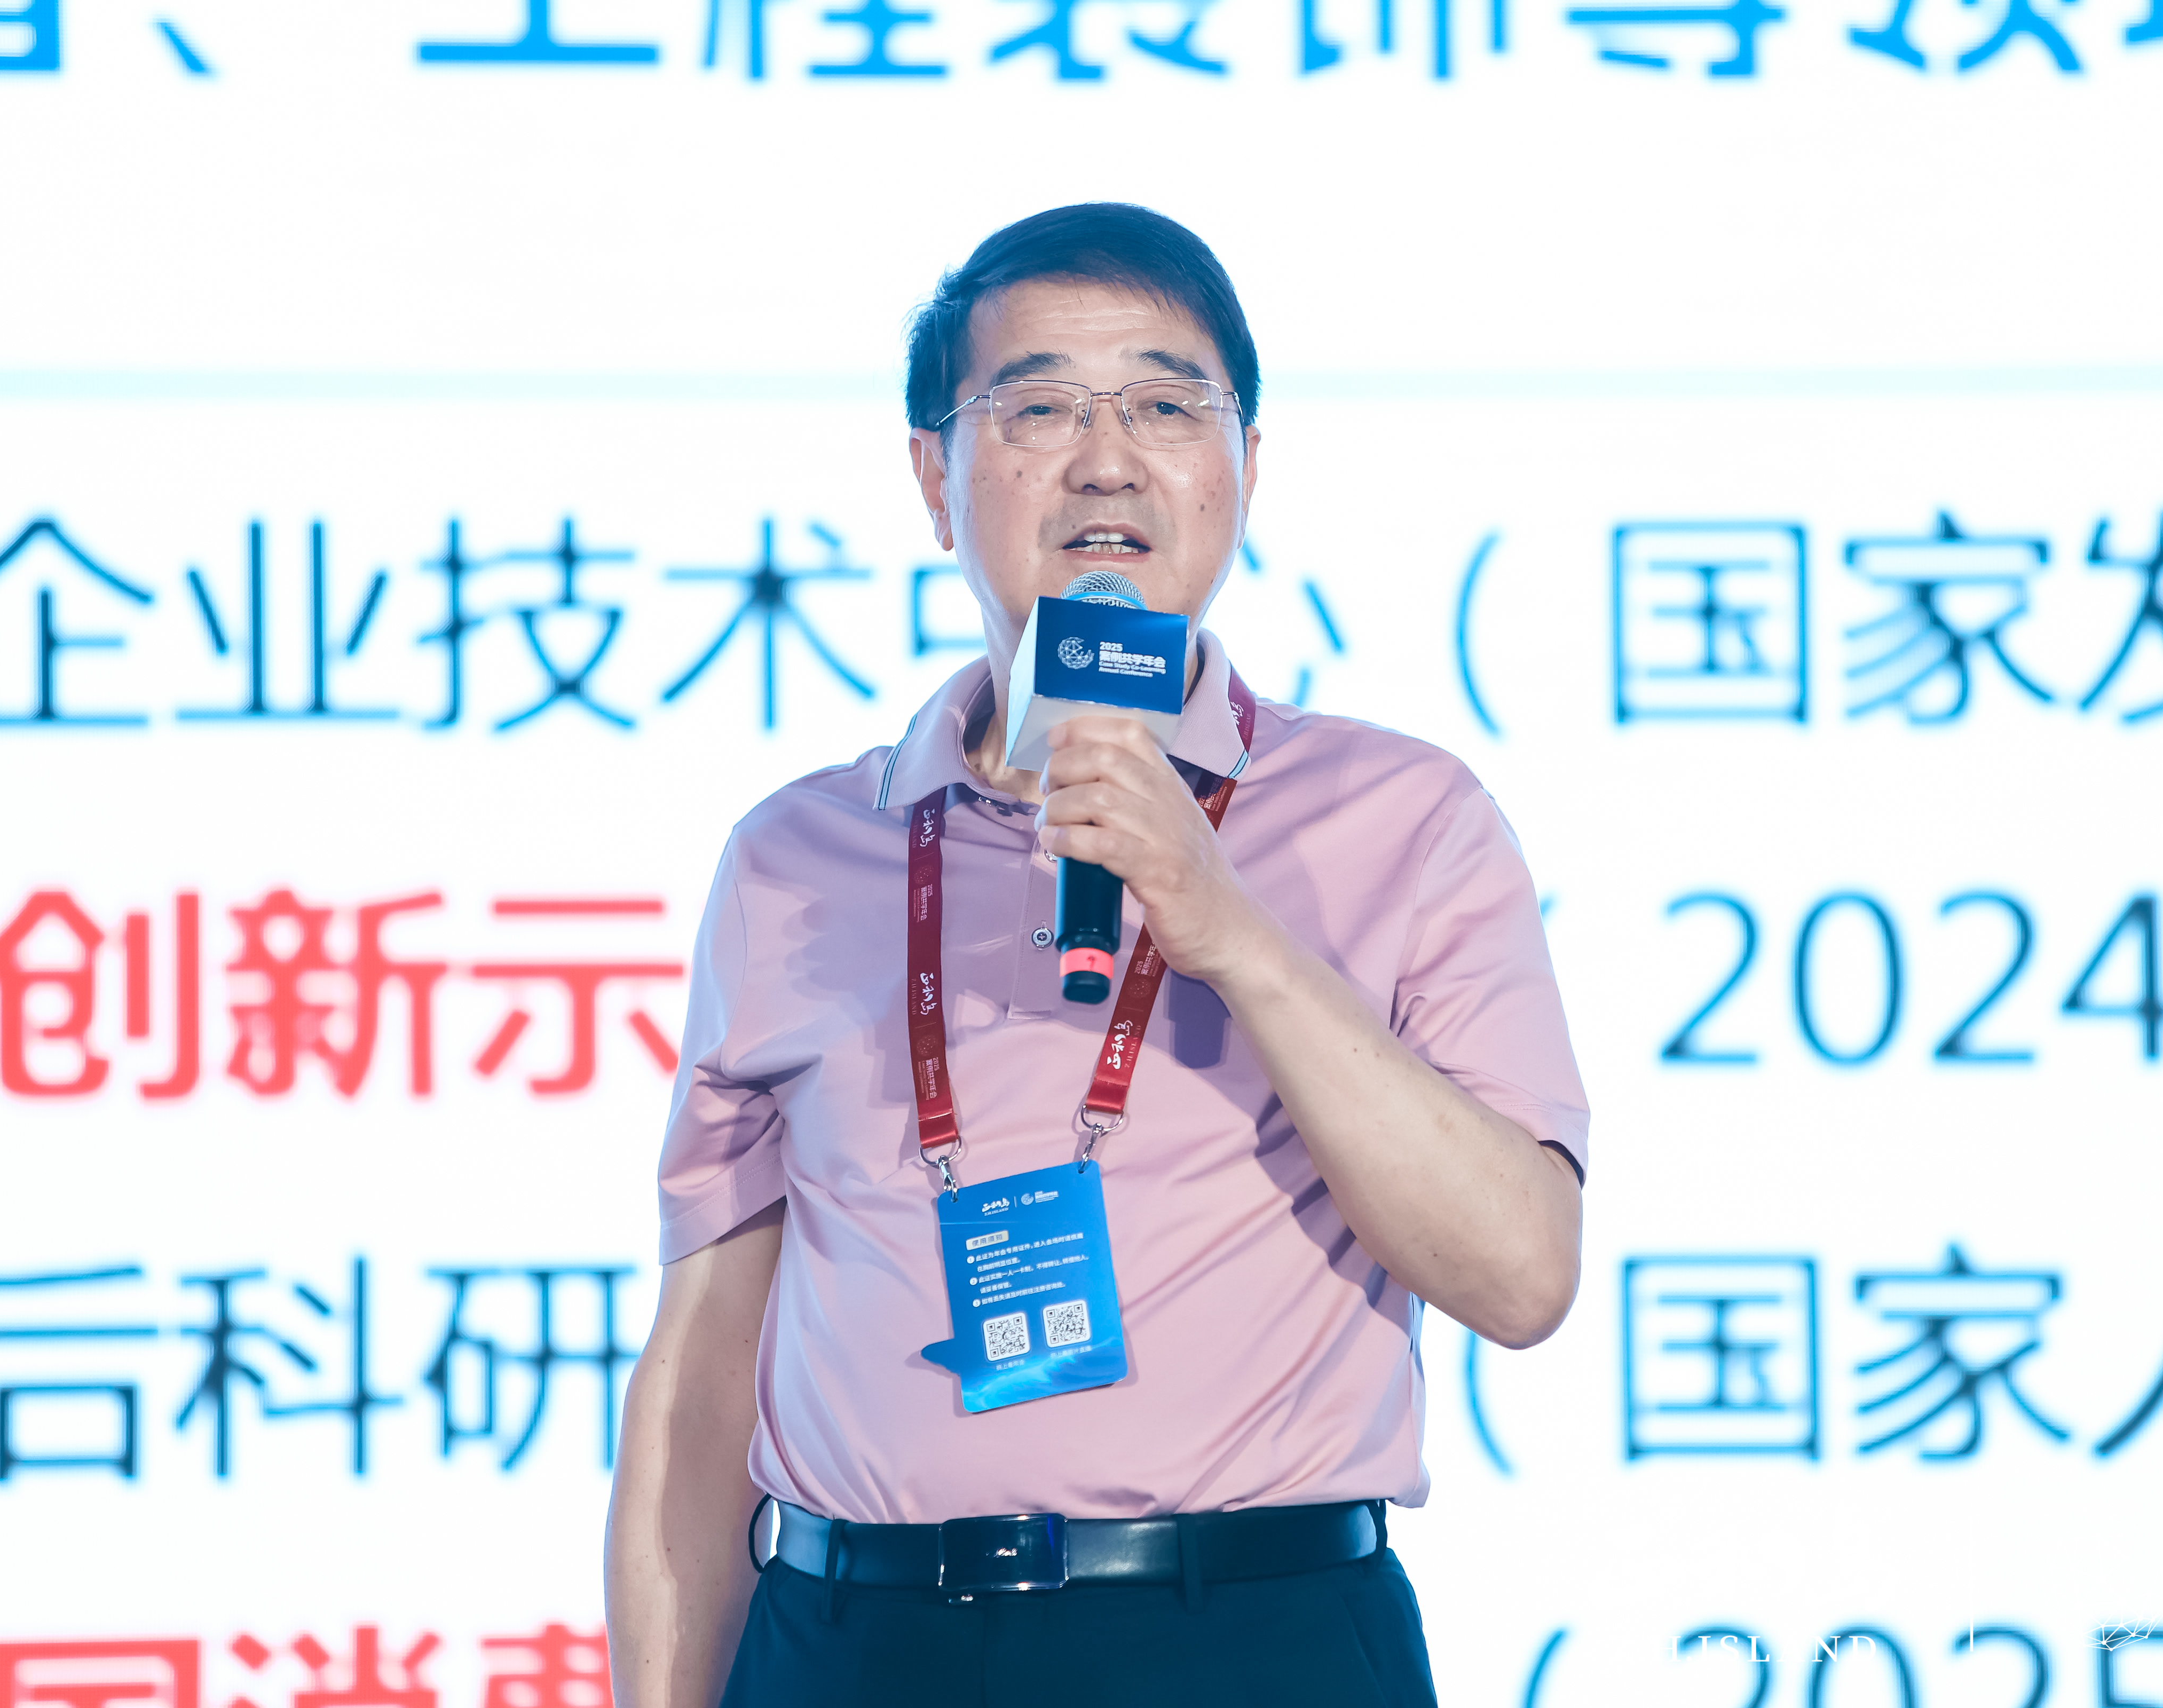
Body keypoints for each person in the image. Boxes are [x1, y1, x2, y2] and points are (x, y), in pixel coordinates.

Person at [604, 202, 1588, 1708]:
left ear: (1245, 467)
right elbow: (702, 1370)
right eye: (1041, 407)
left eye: (1167, 407)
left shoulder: (1404, 818)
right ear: (934, 478)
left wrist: (1231, 932)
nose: (1108, 459)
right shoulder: (797, 857)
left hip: (1245, 1636)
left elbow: (1522, 1276)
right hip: (857, 1641)